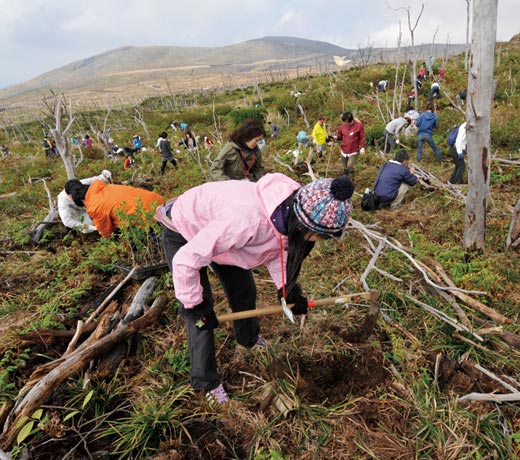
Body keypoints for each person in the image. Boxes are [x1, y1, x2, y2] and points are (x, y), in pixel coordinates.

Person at [155, 172, 354, 404]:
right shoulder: (245, 222)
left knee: (245, 290)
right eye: (323, 237)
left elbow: (277, 246)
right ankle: (207, 381)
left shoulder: (292, 209)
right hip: (184, 230)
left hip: (220, 232)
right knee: (201, 315)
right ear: (306, 227)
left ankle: (248, 338)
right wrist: (195, 306)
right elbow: (185, 261)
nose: (320, 243)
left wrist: (287, 289)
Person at [69, 180, 164, 238]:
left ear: (82, 201)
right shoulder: (106, 187)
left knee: (122, 232)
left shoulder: (94, 206)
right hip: (160, 203)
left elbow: (106, 233)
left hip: (150, 219)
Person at [336, 111, 366, 179]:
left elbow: (362, 137)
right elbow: (339, 136)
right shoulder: (342, 126)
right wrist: (334, 138)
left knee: (349, 166)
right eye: (344, 122)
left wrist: (362, 147)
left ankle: (351, 180)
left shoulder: (358, 126)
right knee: (344, 168)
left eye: (346, 122)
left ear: (351, 120)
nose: (345, 123)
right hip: (344, 150)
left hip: (353, 150)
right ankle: (344, 180)